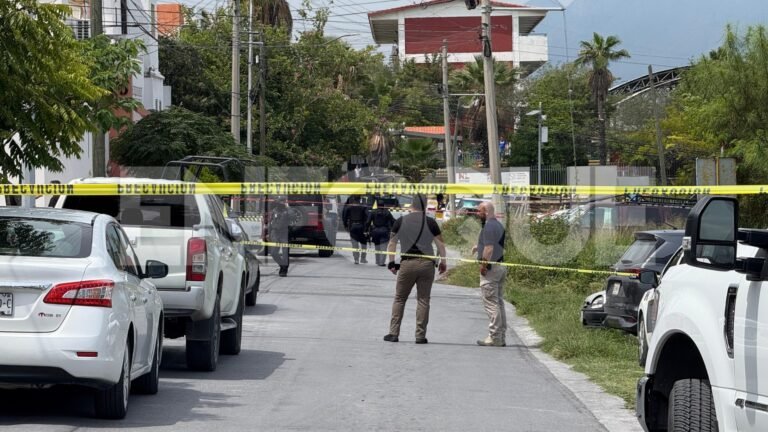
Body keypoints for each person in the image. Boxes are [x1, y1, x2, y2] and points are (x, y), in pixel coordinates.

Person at [383, 194, 447, 344]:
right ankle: (420, 336)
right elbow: (441, 246)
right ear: (425, 206)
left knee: (399, 299)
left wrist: (392, 263)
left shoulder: (400, 221)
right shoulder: (431, 223)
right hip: (427, 265)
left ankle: (393, 333)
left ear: (412, 205)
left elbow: (392, 243)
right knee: (423, 300)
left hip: (407, 264)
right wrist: (443, 262)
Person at [472, 201, 507, 347]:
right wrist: (477, 246)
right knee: (498, 302)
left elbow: (489, 249)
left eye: (479, 211)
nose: (477, 214)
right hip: (500, 266)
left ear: (486, 211)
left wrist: (484, 266)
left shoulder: (488, 227)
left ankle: (494, 337)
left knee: (491, 303)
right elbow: (490, 245)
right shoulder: (497, 225)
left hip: (491, 269)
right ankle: (500, 336)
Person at [366, 196, 396, 266]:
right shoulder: (387, 212)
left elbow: (368, 222)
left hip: (375, 231)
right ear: (383, 206)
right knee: (383, 247)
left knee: (377, 247)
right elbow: (393, 221)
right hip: (384, 231)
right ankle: (381, 262)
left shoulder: (373, 212)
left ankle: (377, 261)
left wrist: (365, 230)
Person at [342, 195, 369, 264]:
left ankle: (356, 259)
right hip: (361, 227)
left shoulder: (349, 207)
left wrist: (345, 225)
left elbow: (344, 217)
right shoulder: (363, 207)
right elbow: (367, 216)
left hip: (352, 226)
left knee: (354, 243)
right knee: (363, 243)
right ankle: (363, 258)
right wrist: (367, 227)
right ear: (360, 200)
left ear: (353, 199)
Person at [267, 196, 291, 277]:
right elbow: (270, 222)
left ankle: (284, 270)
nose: (282, 203)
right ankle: (282, 265)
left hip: (284, 233)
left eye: (283, 201)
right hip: (275, 233)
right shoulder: (274, 211)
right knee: (273, 253)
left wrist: (288, 208)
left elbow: (293, 217)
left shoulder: (287, 211)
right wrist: (268, 233)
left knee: (285, 253)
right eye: (280, 201)